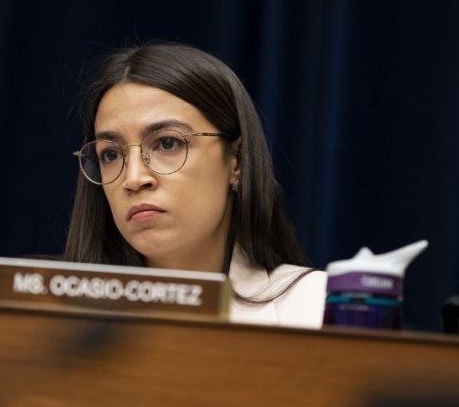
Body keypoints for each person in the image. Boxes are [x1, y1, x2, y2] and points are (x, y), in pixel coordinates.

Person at [64, 43, 327, 328]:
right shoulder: (46, 318)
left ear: (236, 161)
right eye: (111, 154)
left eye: (168, 143)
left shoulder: (316, 309)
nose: (134, 178)